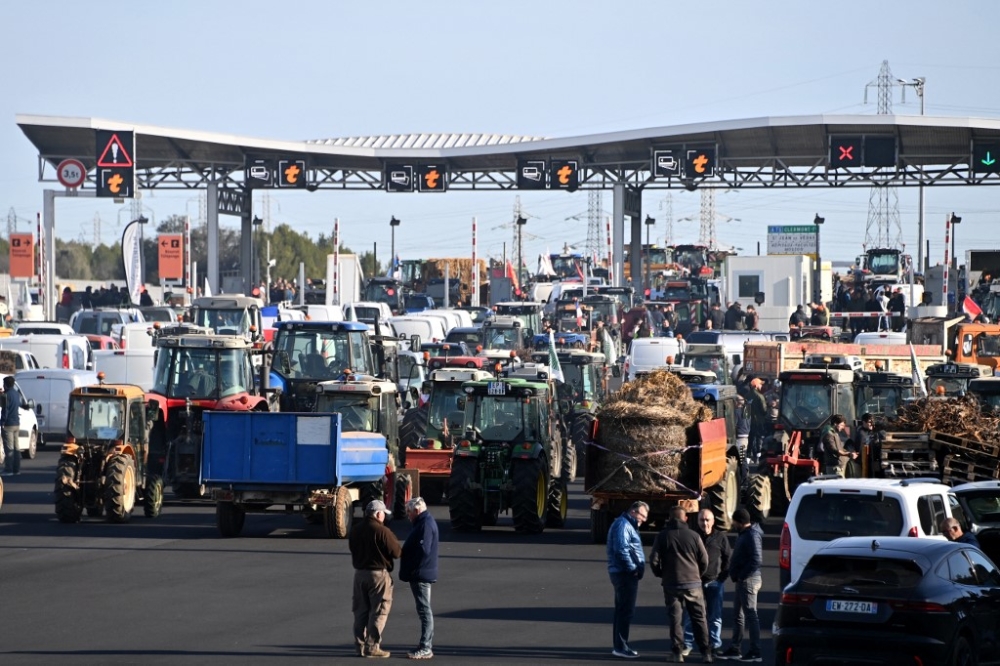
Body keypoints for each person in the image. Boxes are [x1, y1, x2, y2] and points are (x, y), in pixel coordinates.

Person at [650, 506, 712, 663]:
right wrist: (698, 574)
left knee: (675, 620)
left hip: (672, 584)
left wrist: (660, 573)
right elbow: (704, 560)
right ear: (685, 518)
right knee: (699, 619)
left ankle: (677, 652)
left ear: (669, 519)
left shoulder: (663, 536)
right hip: (693, 583)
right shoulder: (694, 536)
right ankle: (706, 652)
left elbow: (654, 560)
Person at [349, 499, 402, 659]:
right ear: (378, 514)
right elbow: (397, 552)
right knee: (379, 611)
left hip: (359, 575)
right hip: (378, 575)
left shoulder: (356, 530)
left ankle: (359, 646)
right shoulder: (382, 531)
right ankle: (372, 646)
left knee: (360, 611)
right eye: (383, 514)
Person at [682, 509, 732, 658]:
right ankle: (687, 644)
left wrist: (721, 578)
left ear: (713, 521)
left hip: (714, 583)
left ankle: (714, 645)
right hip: (695, 584)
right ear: (697, 521)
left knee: (714, 616)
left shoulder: (720, 537)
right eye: (701, 520)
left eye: (707, 520)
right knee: (691, 615)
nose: (705, 523)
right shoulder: (693, 536)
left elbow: (727, 558)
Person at [717, 508, 762, 662]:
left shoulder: (751, 535)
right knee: (738, 615)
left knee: (751, 615)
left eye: (734, 522)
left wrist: (742, 575)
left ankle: (755, 652)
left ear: (740, 522)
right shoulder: (746, 534)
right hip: (743, 580)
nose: (733, 524)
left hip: (748, 580)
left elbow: (756, 559)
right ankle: (735, 648)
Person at [606, 501, 648, 659]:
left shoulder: (626, 524)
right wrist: (633, 569)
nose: (644, 520)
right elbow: (621, 550)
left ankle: (620, 645)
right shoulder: (623, 525)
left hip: (623, 573)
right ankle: (621, 647)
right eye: (642, 516)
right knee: (625, 612)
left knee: (622, 611)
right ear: (633, 512)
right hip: (624, 575)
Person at [400, 497, 439, 660]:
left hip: (421, 574)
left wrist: (413, 568)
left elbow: (423, 550)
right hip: (421, 573)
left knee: (424, 611)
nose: (408, 516)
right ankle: (425, 644)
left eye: (409, 512)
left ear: (416, 511)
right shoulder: (424, 522)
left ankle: (426, 647)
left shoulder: (425, 525)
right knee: (424, 610)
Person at [1, 376, 20, 476]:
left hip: (8, 424)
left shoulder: (6, 396)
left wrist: (2, 422)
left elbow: (5, 411)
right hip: (16, 423)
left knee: (9, 448)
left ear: (6, 384)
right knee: (16, 448)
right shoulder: (16, 394)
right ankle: (16, 469)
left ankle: (9, 469)